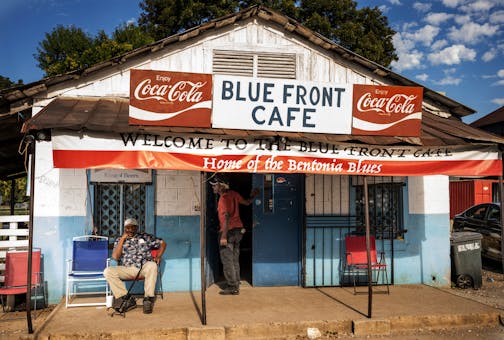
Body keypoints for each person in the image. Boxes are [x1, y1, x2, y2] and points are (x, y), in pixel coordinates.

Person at [104, 218, 166, 314]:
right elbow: (115, 257)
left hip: (144, 267)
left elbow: (163, 243)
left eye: (133, 227)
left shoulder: (145, 237)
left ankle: (148, 299)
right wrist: (122, 239)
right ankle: (127, 299)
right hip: (128, 269)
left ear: (137, 228)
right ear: (124, 228)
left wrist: (158, 256)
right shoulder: (119, 240)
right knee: (108, 271)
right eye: (128, 227)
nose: (130, 230)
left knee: (152, 265)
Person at [210, 174, 258, 295]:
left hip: (229, 232)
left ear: (221, 186)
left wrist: (224, 236)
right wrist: (254, 196)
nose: (213, 188)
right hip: (238, 231)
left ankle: (233, 286)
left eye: (214, 185)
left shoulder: (223, 199)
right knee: (234, 259)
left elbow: (226, 217)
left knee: (227, 260)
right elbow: (247, 203)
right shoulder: (234, 194)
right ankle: (236, 281)